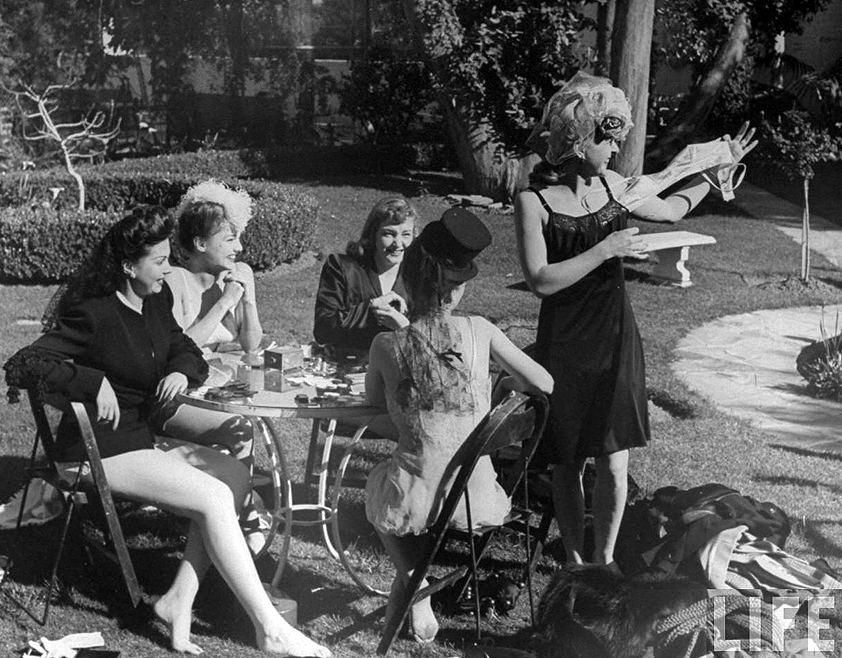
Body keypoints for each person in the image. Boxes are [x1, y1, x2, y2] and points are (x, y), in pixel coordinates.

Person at [3, 207, 330, 658]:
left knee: (234, 476)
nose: (167, 269)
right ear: (128, 266)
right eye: (158, 261)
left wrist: (179, 370)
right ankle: (269, 627)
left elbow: (185, 348)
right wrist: (91, 382)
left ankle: (178, 599)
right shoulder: (94, 313)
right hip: (97, 449)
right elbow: (26, 362)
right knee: (213, 497)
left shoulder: (154, 302)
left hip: (139, 437)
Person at [514, 72, 758, 570]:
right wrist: (606, 249)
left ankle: (603, 562)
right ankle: (575, 561)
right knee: (566, 461)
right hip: (564, 341)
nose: (615, 148)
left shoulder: (615, 188)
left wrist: (713, 173)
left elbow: (670, 210)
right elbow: (540, 280)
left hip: (614, 336)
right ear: (577, 140)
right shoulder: (532, 202)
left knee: (614, 458)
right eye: (607, 139)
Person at [364, 208, 554, 643]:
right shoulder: (480, 331)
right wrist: (504, 385)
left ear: (408, 283)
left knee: (381, 479)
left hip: (417, 498)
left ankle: (413, 579)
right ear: (459, 287)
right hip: (474, 496)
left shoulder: (386, 344)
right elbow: (544, 383)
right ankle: (415, 587)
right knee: (423, 455)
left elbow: (373, 410)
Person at [157, 180, 267, 555]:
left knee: (231, 437)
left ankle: (222, 522)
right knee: (240, 428)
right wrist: (224, 303)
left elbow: (251, 344)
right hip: (174, 395)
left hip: (214, 392)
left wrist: (247, 299)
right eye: (231, 239)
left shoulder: (231, 279)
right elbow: (179, 349)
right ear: (200, 244)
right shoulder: (175, 281)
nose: (240, 248)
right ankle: (244, 521)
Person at [313, 196, 417, 353]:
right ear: (373, 234)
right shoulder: (343, 267)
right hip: (348, 365)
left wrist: (403, 327)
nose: (398, 243)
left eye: (406, 234)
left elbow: (432, 340)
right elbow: (323, 330)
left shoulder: (418, 275)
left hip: (400, 364)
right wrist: (370, 308)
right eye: (388, 234)